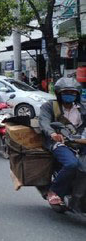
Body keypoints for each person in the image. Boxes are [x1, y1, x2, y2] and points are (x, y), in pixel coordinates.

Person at [38, 77, 86, 206]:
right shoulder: (49, 106)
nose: (69, 95)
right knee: (72, 164)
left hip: (81, 141)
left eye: (72, 93)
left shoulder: (82, 108)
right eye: (66, 93)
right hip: (59, 142)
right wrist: (52, 133)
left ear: (77, 94)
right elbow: (44, 122)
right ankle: (53, 191)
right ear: (59, 94)